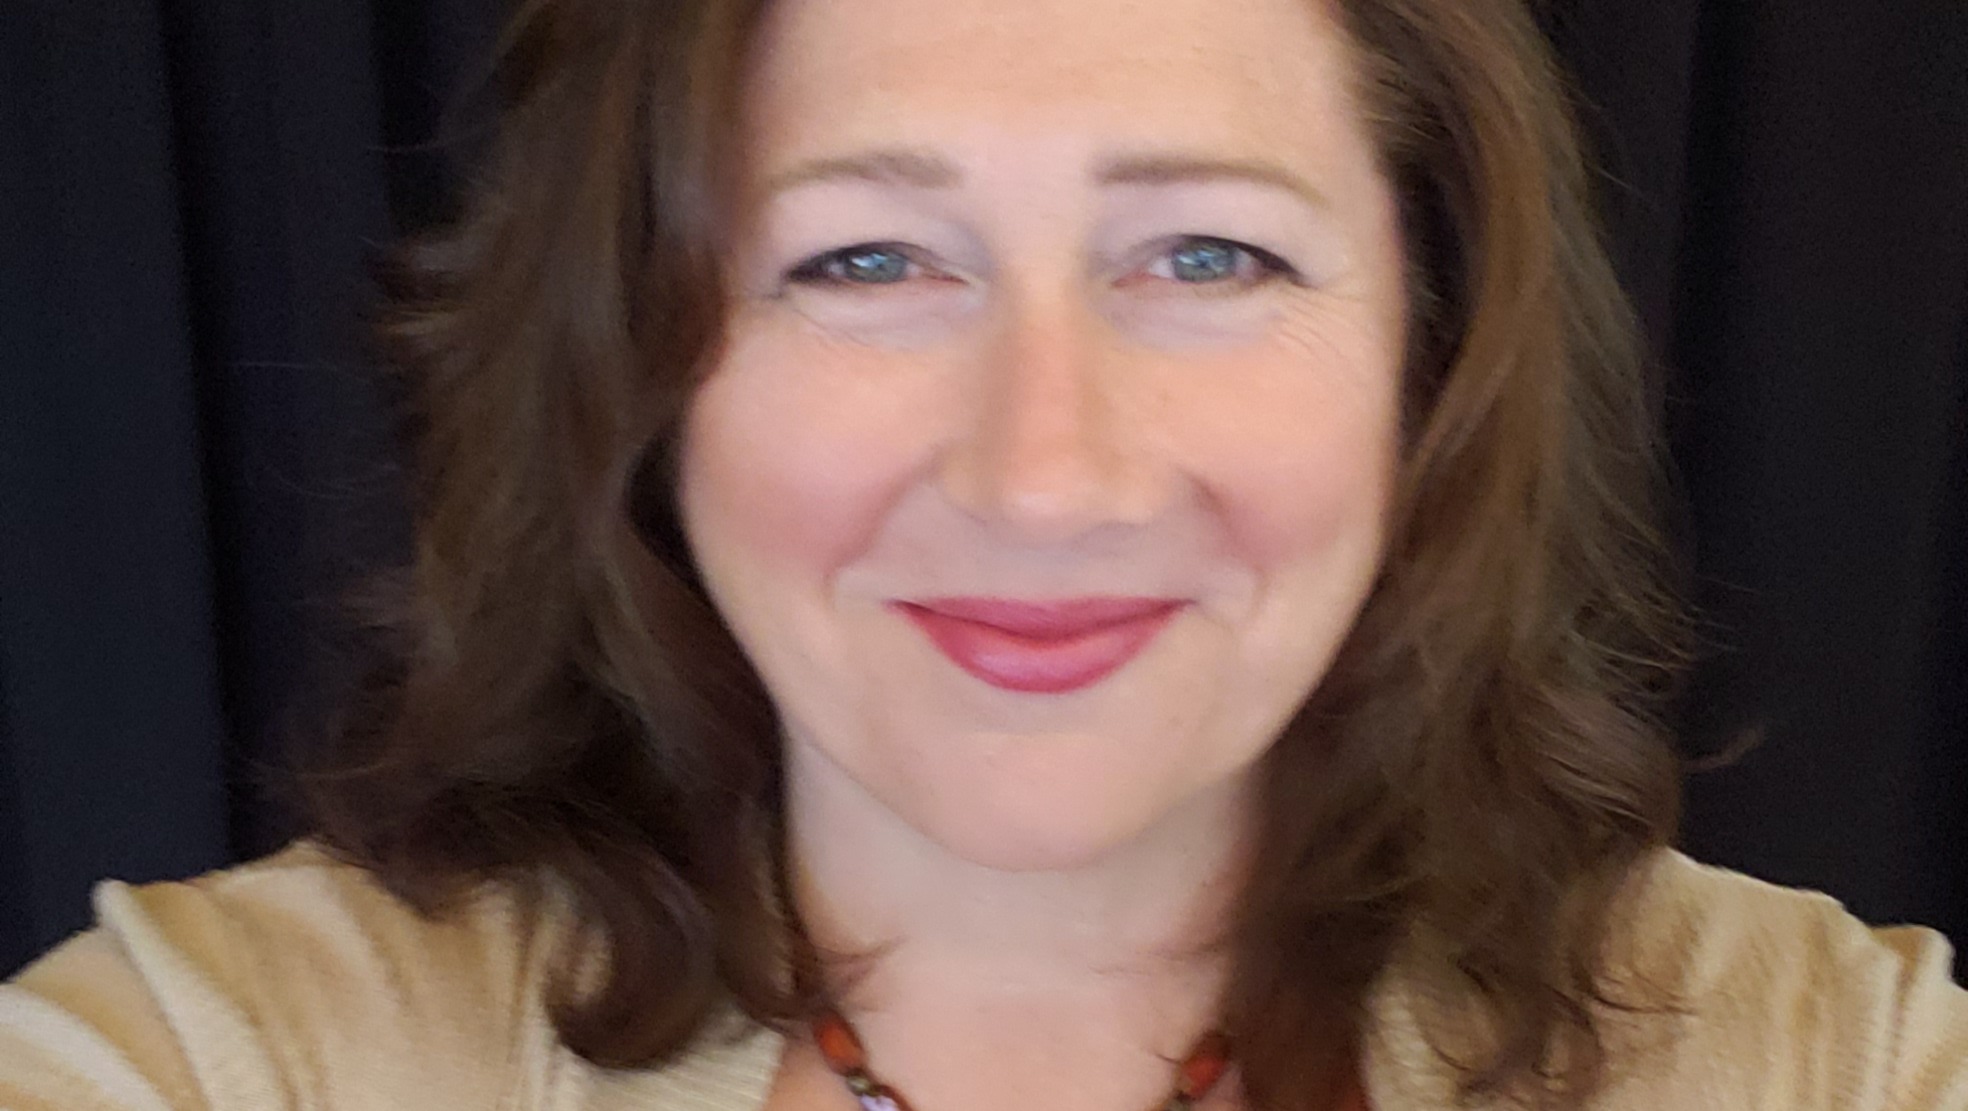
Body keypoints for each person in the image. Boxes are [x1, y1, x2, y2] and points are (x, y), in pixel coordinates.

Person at [4, 0, 1966, 1107]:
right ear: (646, 380)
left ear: (1427, 364)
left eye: (1208, 254)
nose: (1045, 479)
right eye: (866, 259)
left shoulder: (1822, 1062)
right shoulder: (225, 1062)